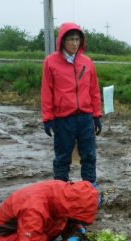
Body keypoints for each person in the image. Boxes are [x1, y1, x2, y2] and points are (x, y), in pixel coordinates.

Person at [41, 22, 102, 184]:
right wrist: (47, 118)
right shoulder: (50, 62)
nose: (75, 43)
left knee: (89, 156)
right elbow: (47, 92)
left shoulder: (87, 62)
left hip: (85, 118)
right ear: (62, 41)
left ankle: (89, 191)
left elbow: (94, 91)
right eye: (71, 39)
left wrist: (96, 116)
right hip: (63, 119)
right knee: (62, 158)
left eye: (77, 39)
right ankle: (60, 192)